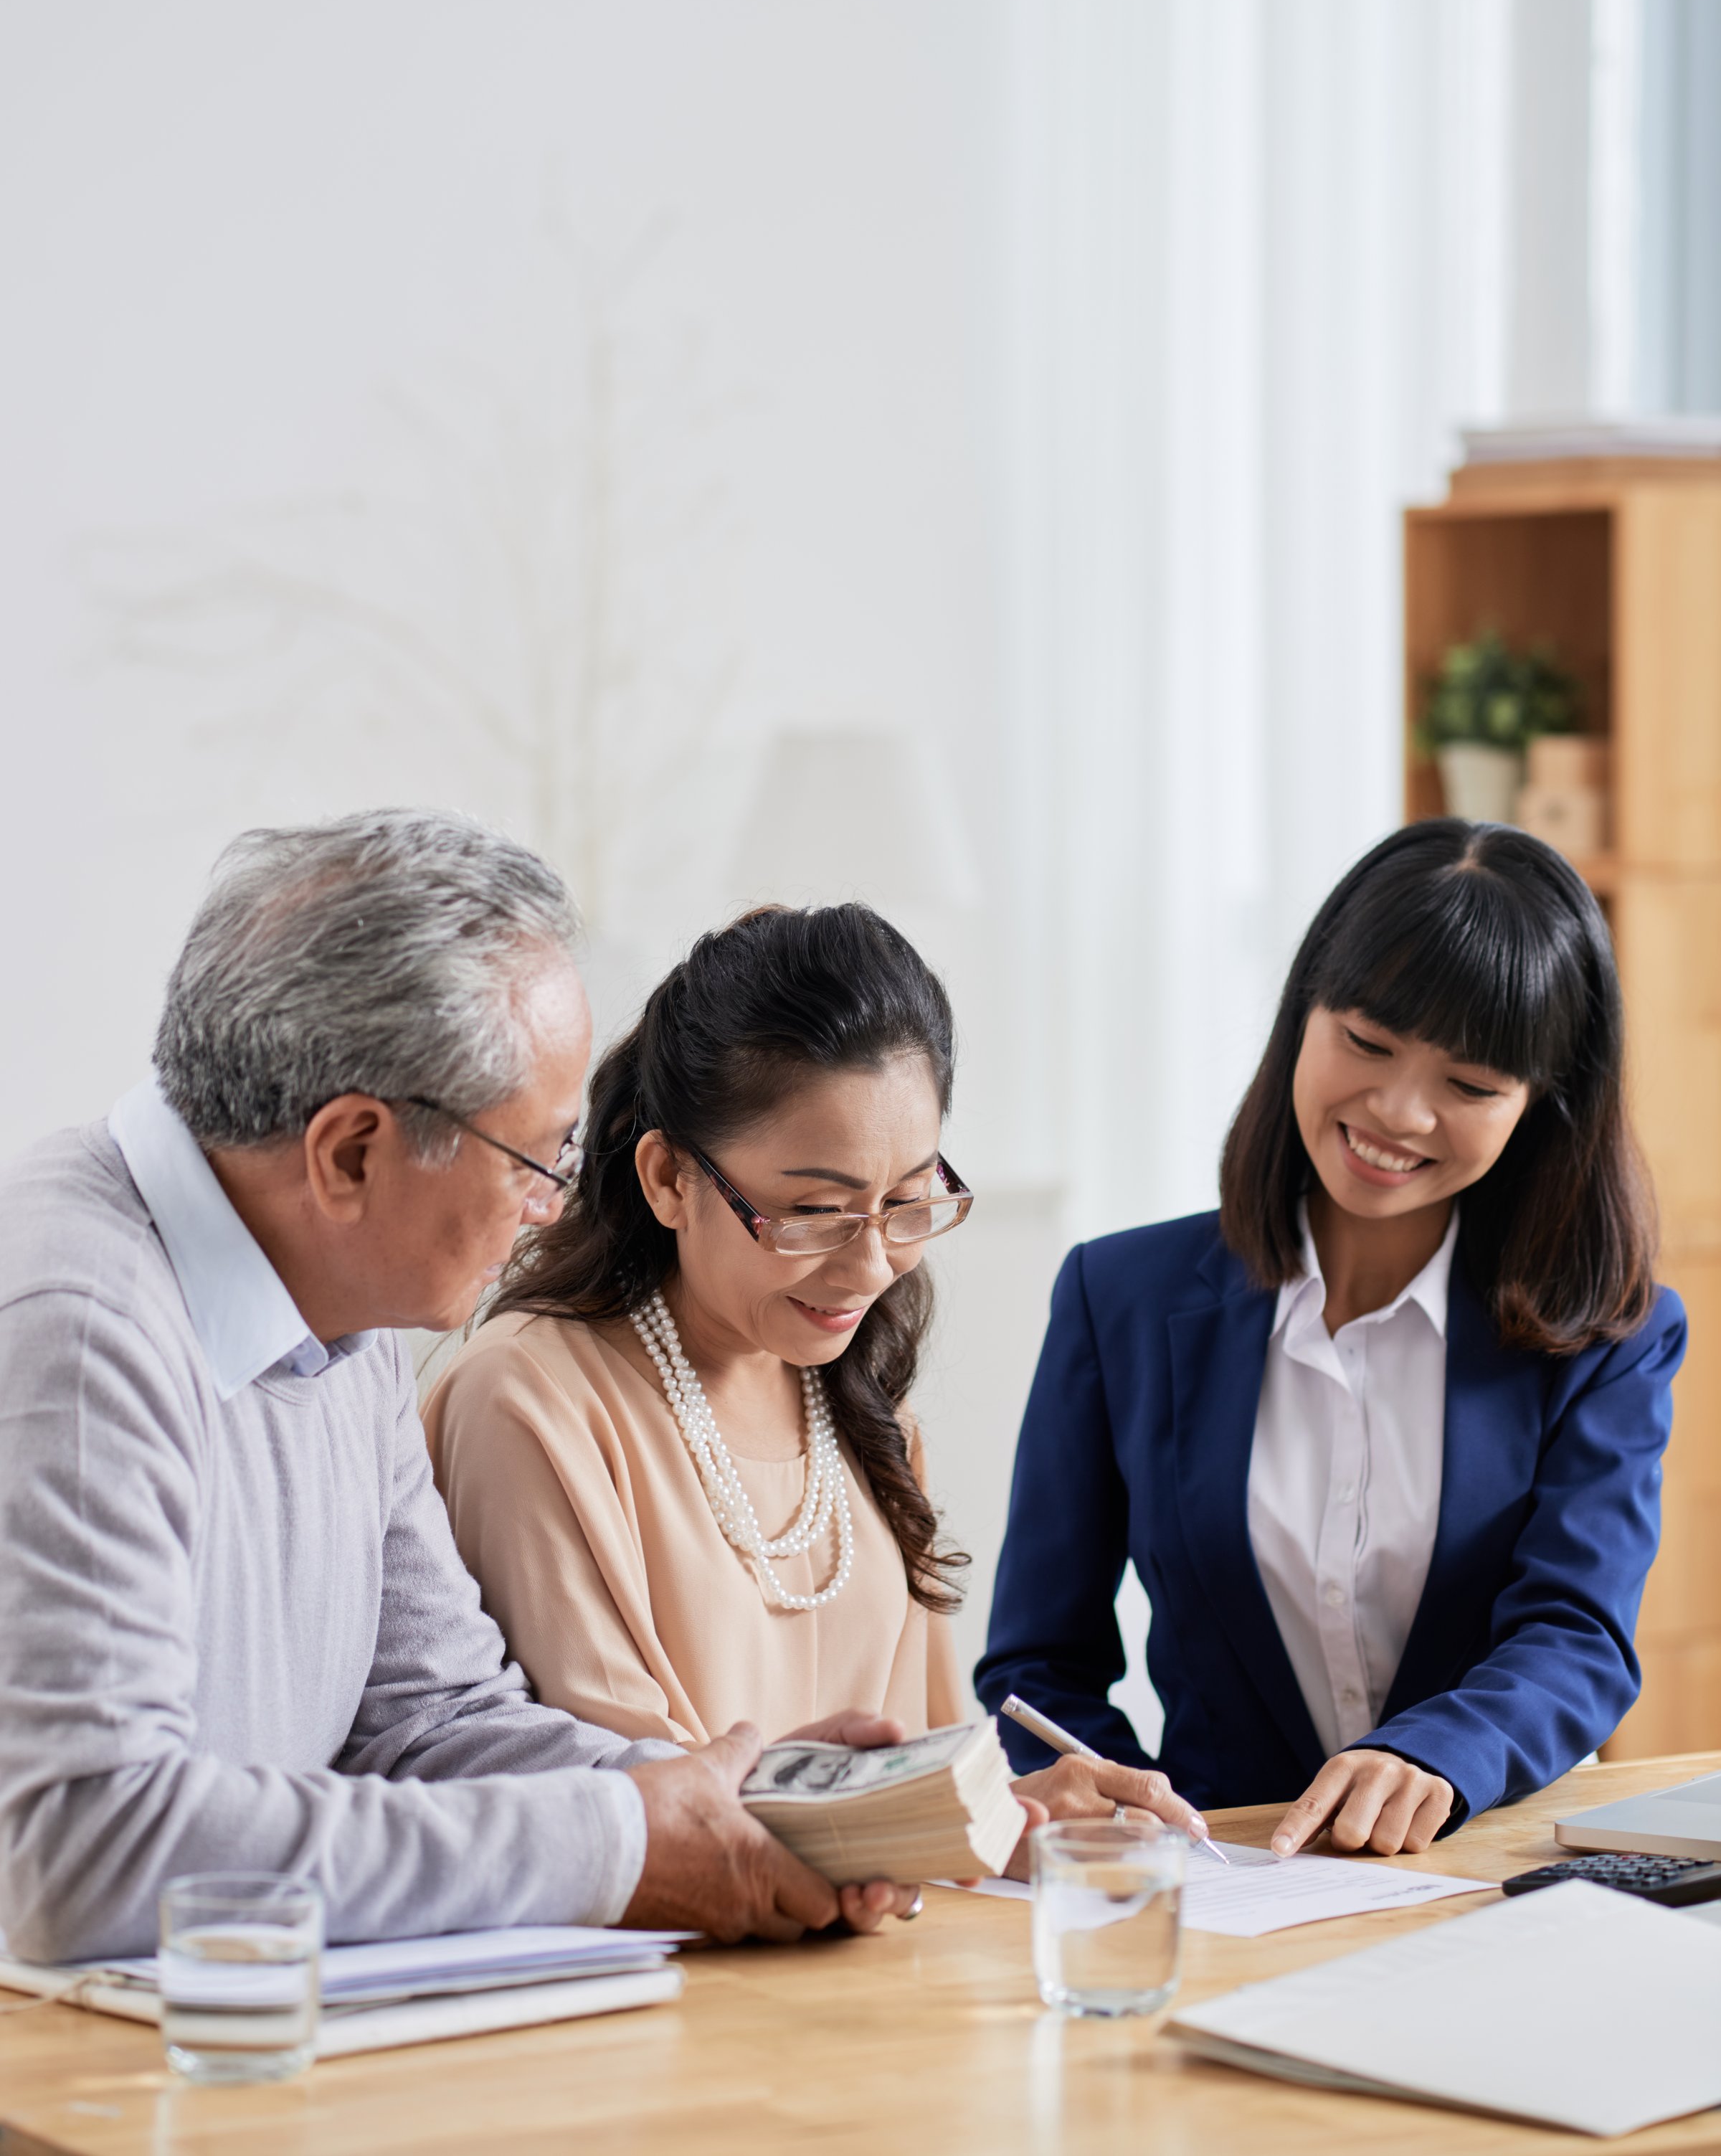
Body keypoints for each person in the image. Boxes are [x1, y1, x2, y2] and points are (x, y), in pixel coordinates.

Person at [0, 811, 918, 1964]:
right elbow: (86, 1850)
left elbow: (432, 1722)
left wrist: (757, 1807)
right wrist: (625, 1845)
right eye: (540, 1160)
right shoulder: (78, 1329)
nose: (552, 1207)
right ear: (350, 1155)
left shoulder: (342, 1309)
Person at [426, 904, 1210, 1868]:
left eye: (907, 1202)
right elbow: (622, 1797)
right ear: (669, 1177)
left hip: (864, 1971)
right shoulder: (527, 1401)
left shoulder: (863, 1406)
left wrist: (1016, 1811)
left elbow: (916, 1773)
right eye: (814, 1212)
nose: (873, 1264)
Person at [978, 819, 1686, 1858]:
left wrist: (1437, 1755)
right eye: (1367, 1042)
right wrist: (1104, 1805)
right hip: (1220, 1880)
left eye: (1473, 1086)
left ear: (1541, 1108)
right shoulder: (1117, 1297)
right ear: (1302, 1010)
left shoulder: (1607, 1335)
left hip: (1486, 1870)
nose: (1399, 1112)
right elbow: (1036, 1667)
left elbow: (1576, 1636)